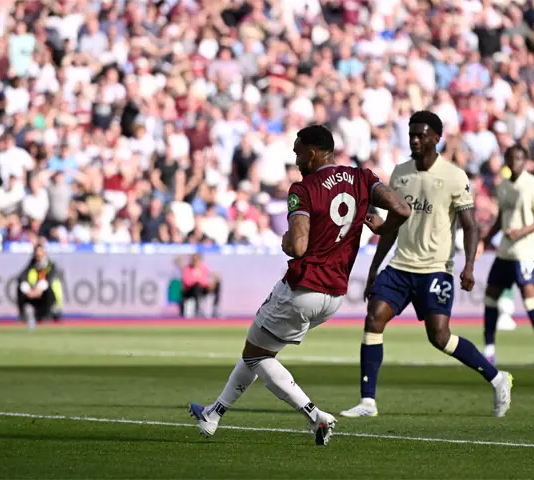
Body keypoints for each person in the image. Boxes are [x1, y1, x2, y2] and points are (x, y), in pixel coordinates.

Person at [189, 125, 412, 445]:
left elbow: (297, 246)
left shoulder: (304, 189)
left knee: (255, 355)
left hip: (303, 287)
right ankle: (214, 413)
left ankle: (315, 416)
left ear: (312, 152)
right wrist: (379, 226)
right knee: (259, 351)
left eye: (297, 152)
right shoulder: (362, 177)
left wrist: (285, 240)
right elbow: (401, 209)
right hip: (334, 293)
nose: (295, 160)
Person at [340, 111, 514, 420]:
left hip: (435, 268)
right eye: (411, 135)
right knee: (373, 320)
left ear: (436, 138)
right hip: (400, 265)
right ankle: (368, 402)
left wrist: (469, 265)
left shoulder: (454, 176)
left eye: (421, 135)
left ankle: (497, 378)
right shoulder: (401, 173)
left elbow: (470, 226)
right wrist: (373, 269)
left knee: (439, 337)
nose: (415, 140)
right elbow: (392, 226)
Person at [482, 145, 534, 366]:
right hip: (505, 252)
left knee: (529, 300)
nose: (516, 162)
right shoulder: (502, 186)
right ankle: (489, 349)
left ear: (526, 161)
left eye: (520, 158)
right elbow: (502, 218)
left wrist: (521, 232)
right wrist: (484, 239)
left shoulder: (532, 184)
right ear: (506, 160)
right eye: (512, 158)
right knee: (490, 297)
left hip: (526, 253)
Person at [17, 244, 64, 328]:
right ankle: (22, 315)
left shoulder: (51, 265)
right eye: (36, 252)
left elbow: (49, 279)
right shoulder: (32, 264)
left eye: (40, 252)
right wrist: (28, 290)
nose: (38, 255)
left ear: (44, 253)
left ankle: (47, 315)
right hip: (33, 295)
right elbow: (22, 277)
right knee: (20, 288)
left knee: (49, 290)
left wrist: (39, 289)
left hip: (48, 297)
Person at [180, 253, 221, 318]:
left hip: (202, 288)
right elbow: (187, 282)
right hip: (191, 290)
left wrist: (211, 284)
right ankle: (197, 309)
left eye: (197, 260)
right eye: (194, 260)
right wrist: (198, 281)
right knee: (196, 286)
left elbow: (205, 279)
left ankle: (215, 307)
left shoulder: (204, 268)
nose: (195, 261)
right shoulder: (187, 268)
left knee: (217, 283)